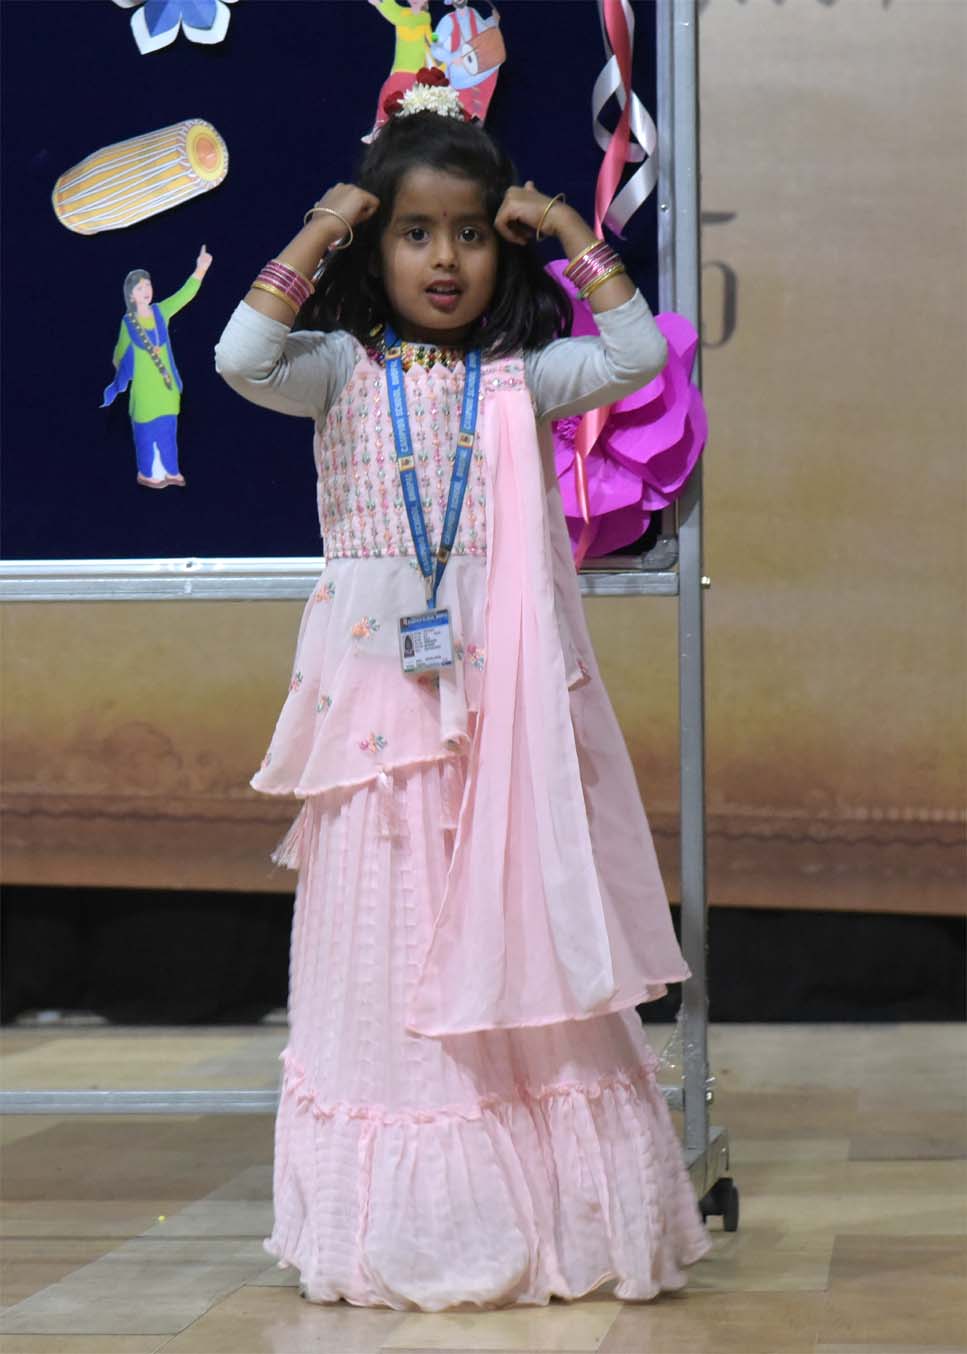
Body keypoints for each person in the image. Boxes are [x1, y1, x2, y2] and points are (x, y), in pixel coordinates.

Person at [214, 98, 709, 1311]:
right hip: (379, 727)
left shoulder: (520, 380)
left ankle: (548, 1210)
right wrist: (320, 226)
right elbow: (238, 358)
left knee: (514, 935)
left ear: (503, 246)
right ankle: (421, 1222)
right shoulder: (340, 372)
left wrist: (570, 232)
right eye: (415, 233)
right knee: (393, 938)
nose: (445, 259)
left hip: (503, 724)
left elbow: (635, 358)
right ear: (376, 246)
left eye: (473, 233)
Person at [102, 246, 212, 489]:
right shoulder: (128, 323)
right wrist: (126, 367)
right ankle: (147, 473)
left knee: (168, 431)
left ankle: (171, 471)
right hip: (144, 390)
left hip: (166, 386)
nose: (146, 290)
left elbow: (184, 295)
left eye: (148, 285)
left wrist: (201, 269)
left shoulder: (161, 311)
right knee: (144, 433)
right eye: (139, 288)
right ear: (131, 295)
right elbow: (119, 354)